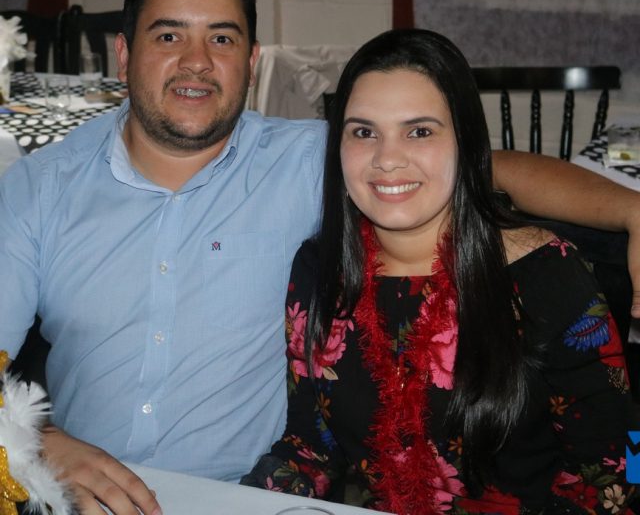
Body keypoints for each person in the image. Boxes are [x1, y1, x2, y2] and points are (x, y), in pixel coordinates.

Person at [0, 0, 638, 515]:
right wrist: (39, 440)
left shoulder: (317, 163)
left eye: (221, 39)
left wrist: (632, 209)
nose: (196, 62)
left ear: (252, 62)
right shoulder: (40, 187)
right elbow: (313, 444)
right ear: (123, 53)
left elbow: (479, 169)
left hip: (238, 494)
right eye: (169, 35)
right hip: (79, 493)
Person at [242, 29, 638, 513]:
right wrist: (240, 503)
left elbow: (625, 464)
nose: (387, 159)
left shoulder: (545, 274)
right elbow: (311, 448)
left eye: (420, 131)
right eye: (364, 132)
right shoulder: (320, 268)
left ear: (465, 143)